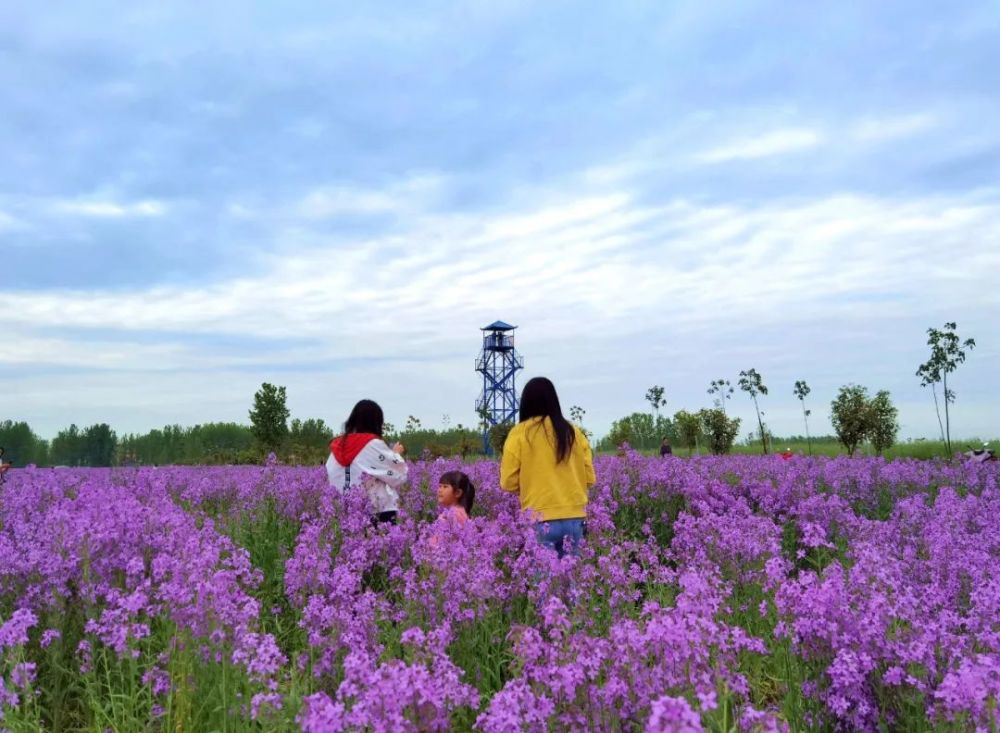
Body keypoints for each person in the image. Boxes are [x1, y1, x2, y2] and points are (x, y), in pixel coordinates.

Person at [500, 377, 596, 558]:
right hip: (575, 517)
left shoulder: (520, 433)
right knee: (572, 581)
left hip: (539, 519)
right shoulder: (573, 432)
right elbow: (590, 478)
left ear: (526, 403)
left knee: (545, 583)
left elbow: (508, 482)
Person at [327, 399, 407, 524]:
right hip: (378, 513)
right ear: (376, 422)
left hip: (343, 515)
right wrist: (395, 454)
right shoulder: (372, 445)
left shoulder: (337, 447)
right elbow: (399, 476)